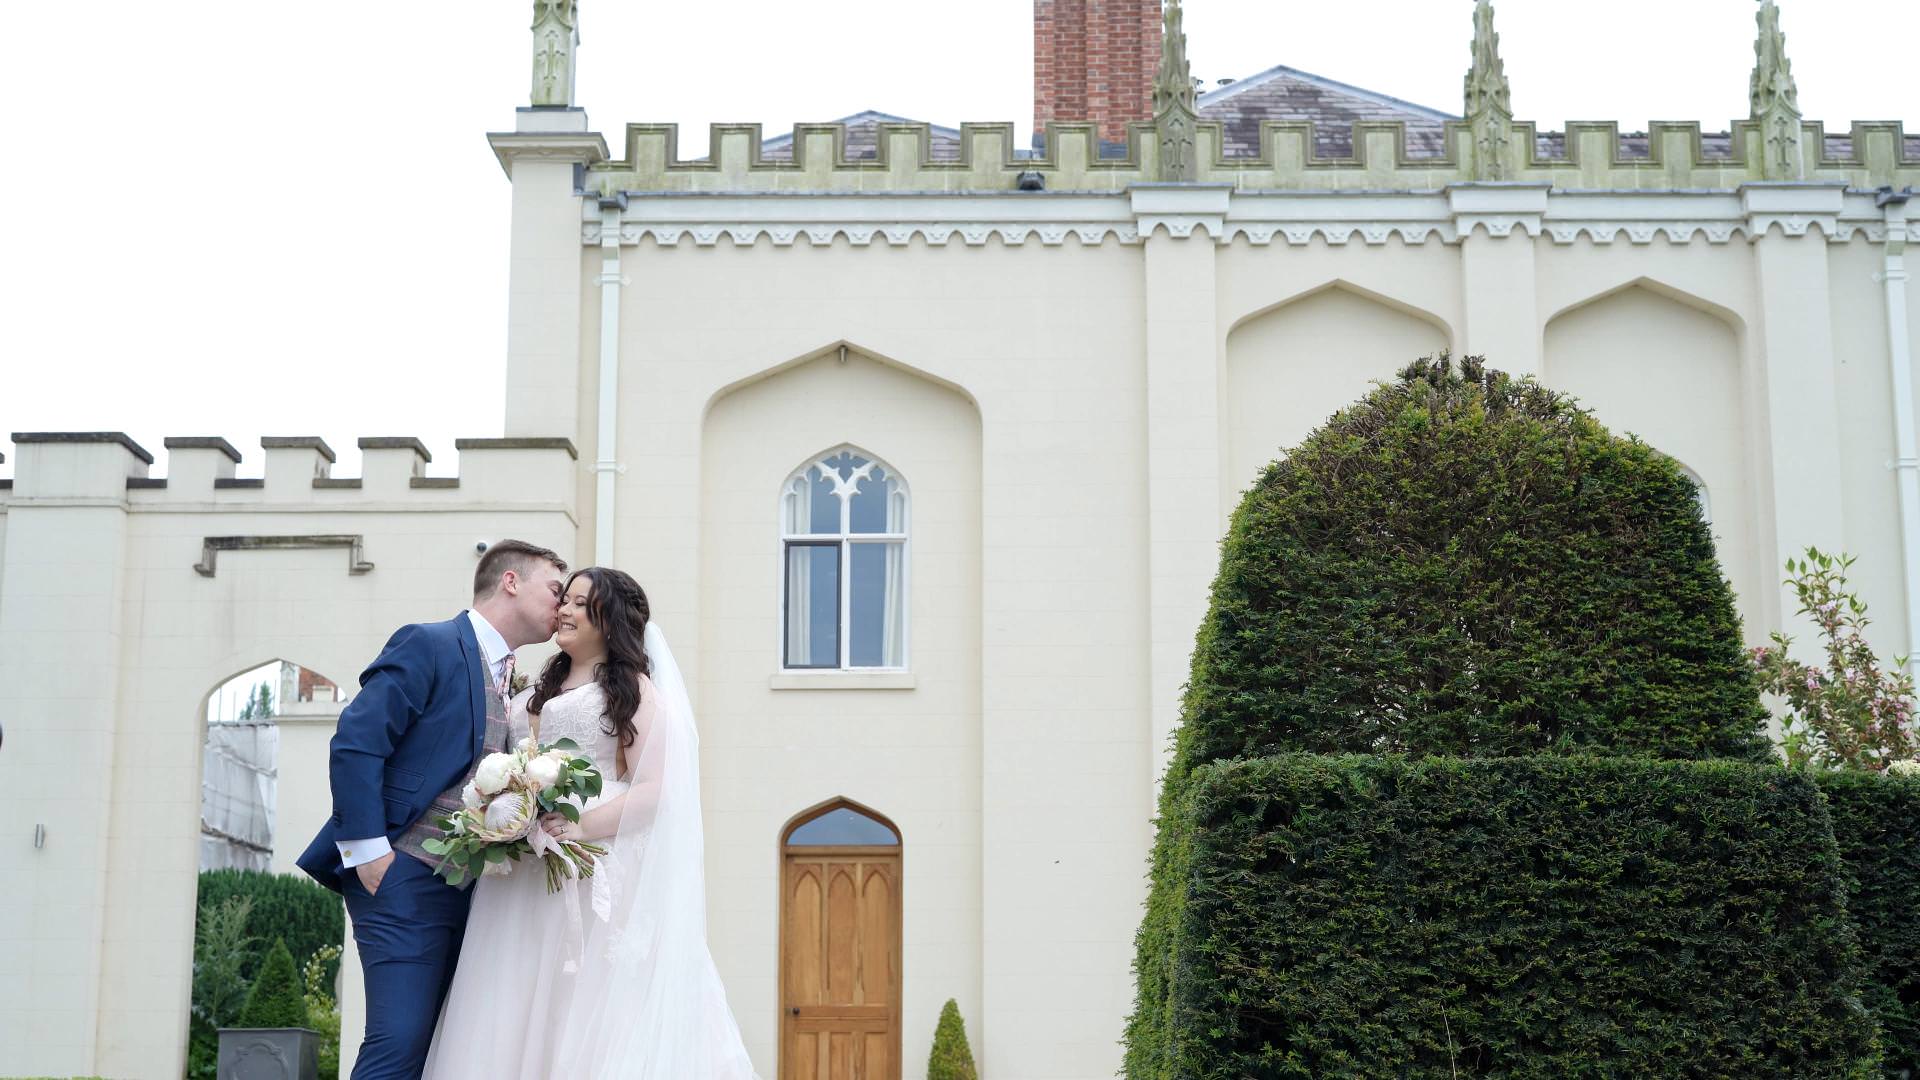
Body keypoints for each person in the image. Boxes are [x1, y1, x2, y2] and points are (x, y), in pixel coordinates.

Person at [423, 567, 757, 1079]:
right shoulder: (538, 686)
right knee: (512, 990)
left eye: (581, 603)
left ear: (610, 619)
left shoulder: (634, 691)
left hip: (592, 863)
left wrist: (581, 827)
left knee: (585, 994)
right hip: (523, 870)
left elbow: (656, 790)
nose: (566, 610)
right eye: (565, 600)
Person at [296, 539, 568, 1080]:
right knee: (397, 1046)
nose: (562, 606)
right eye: (555, 589)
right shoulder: (429, 643)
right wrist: (370, 853)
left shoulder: (509, 675)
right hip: (401, 875)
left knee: (444, 1050)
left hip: (473, 891)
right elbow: (356, 741)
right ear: (511, 581)